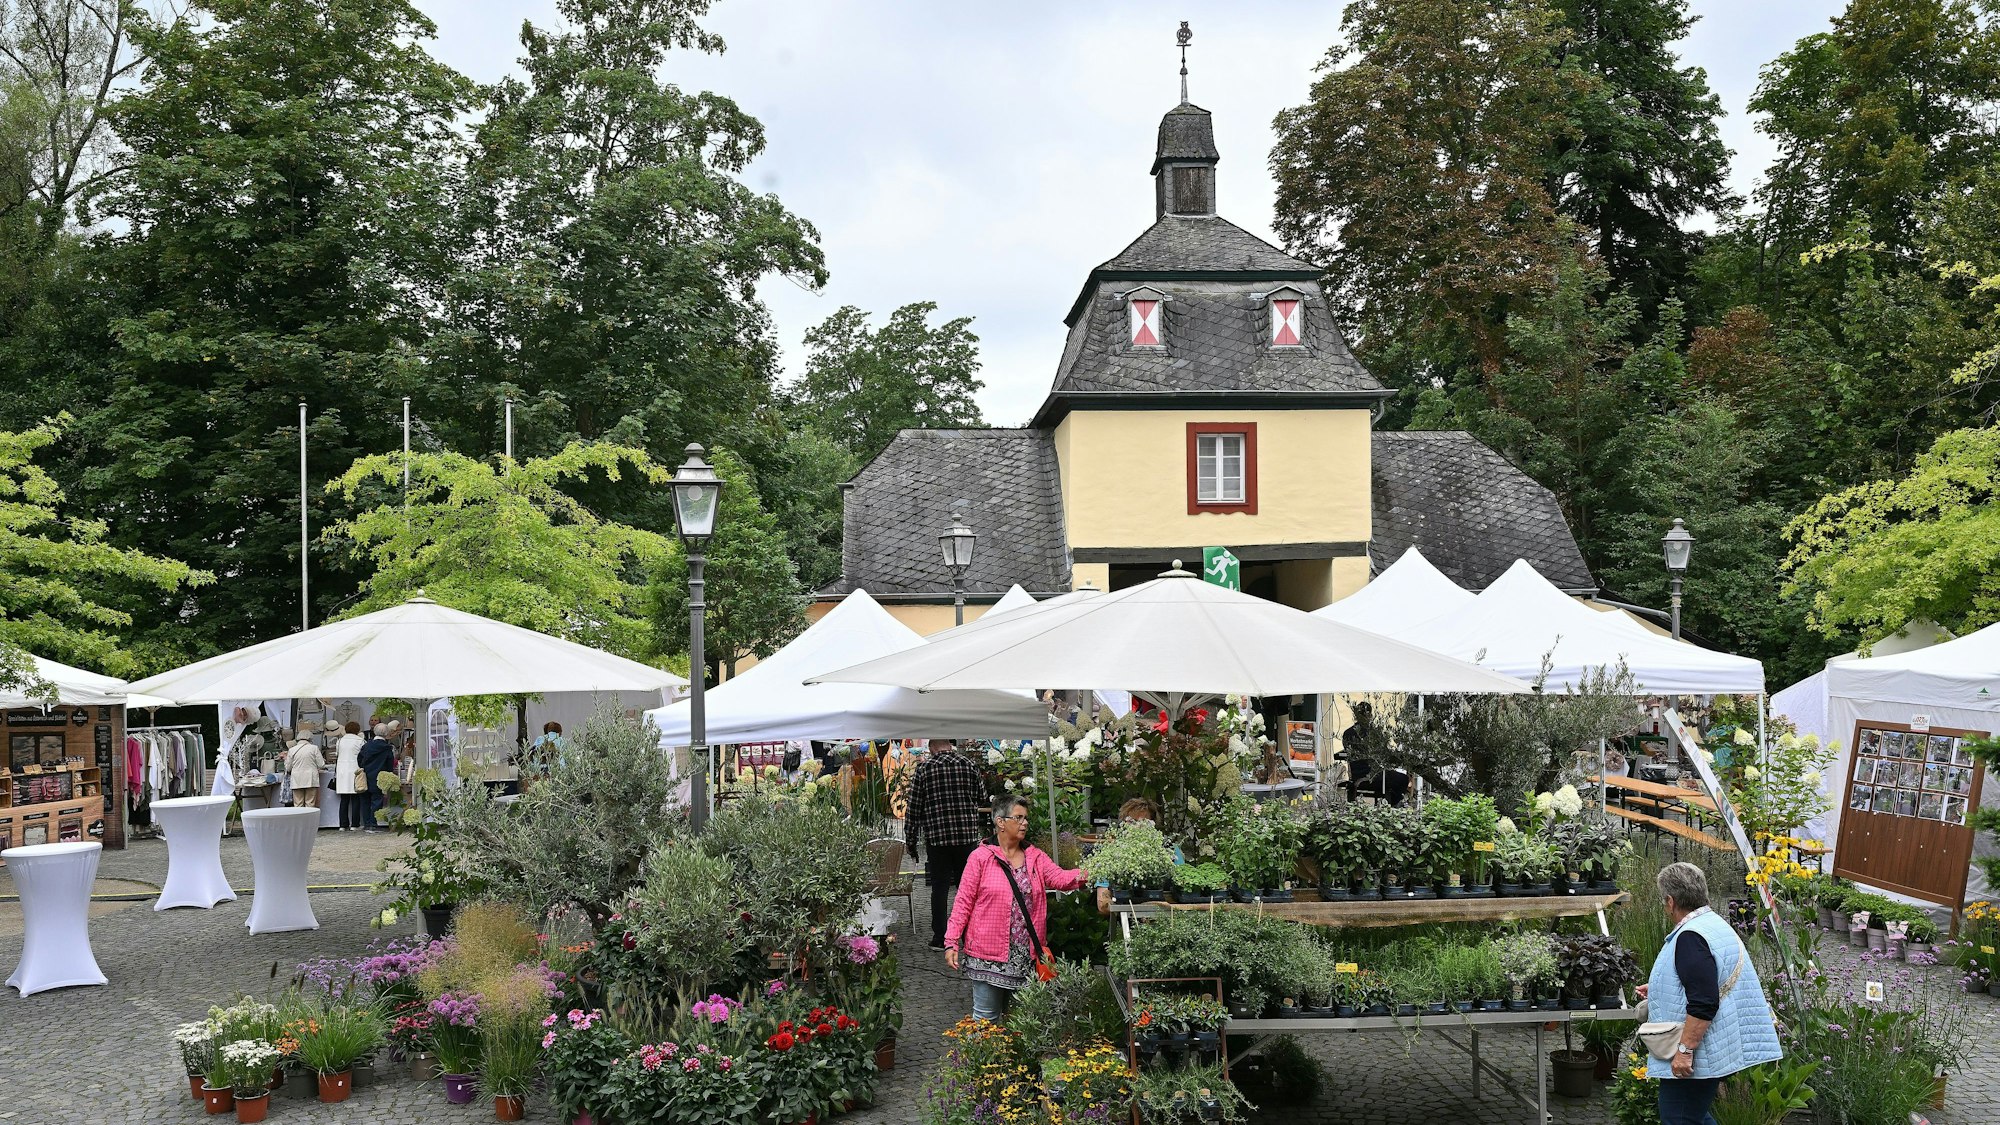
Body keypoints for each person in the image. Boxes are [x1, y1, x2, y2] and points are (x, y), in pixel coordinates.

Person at [1633, 862, 1782, 1125]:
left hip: (1699, 1053)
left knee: (1679, 1118)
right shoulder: (1712, 924)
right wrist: (1660, 987)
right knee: (1693, 1116)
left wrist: (1684, 1051)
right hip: (1715, 1045)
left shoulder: (1691, 936)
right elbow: (1708, 978)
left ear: (1670, 901)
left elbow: (1704, 1001)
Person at [944, 797, 1087, 1020]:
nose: (1024, 823)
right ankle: (983, 1057)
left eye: (1025, 818)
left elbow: (1061, 878)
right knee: (985, 1021)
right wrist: (951, 941)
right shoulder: (980, 858)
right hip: (987, 955)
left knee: (1023, 1022)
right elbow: (963, 902)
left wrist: (1095, 870)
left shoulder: (1035, 857)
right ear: (1000, 822)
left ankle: (1014, 1057)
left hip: (1026, 957)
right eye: (1018, 817)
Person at [904, 738, 989, 951]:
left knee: (940, 887)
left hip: (938, 839)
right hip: (966, 838)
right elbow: (982, 797)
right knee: (968, 887)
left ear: (933, 748)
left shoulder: (925, 769)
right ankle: (970, 934)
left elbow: (914, 808)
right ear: (949, 746)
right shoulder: (969, 765)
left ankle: (941, 938)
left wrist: (911, 840)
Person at [1096, 797, 1184, 914]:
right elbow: (1102, 904)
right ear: (1124, 825)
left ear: (1153, 824)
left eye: (1144, 822)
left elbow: (1183, 885)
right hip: (1125, 918)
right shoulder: (1112, 853)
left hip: (1164, 916)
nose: (1138, 827)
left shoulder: (1169, 850)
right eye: (1132, 822)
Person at [356, 723, 398, 832]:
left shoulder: (366, 746)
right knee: (376, 801)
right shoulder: (387, 748)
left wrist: (364, 767)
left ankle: (366, 823)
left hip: (366, 776)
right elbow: (390, 763)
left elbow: (360, 760)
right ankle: (373, 824)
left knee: (365, 801)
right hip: (379, 776)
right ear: (386, 733)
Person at [334, 720, 366, 831]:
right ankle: (355, 824)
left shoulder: (340, 741)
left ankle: (343, 824)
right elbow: (364, 756)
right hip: (355, 769)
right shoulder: (360, 741)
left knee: (344, 800)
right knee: (356, 799)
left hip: (342, 771)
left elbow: (337, 754)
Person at [284, 730, 325, 809]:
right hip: (311, 779)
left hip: (297, 779)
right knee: (310, 804)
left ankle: (299, 821)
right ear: (310, 738)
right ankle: (309, 821)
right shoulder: (314, 748)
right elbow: (321, 764)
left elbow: (288, 768)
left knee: (298, 804)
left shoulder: (292, 750)